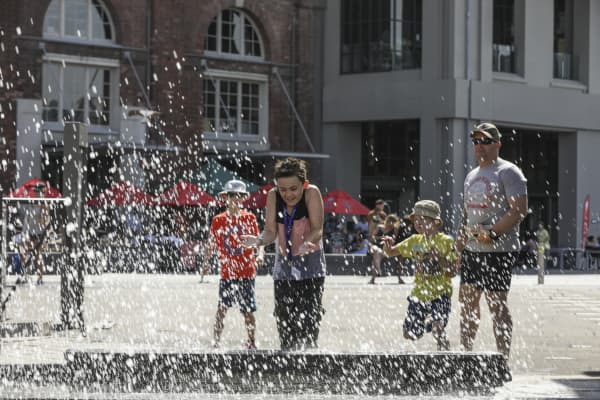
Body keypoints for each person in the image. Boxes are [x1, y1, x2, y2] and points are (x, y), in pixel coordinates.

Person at [456, 122, 528, 361]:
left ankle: (502, 359)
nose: (480, 146)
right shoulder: (471, 175)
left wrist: (493, 233)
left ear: (498, 144)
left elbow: (519, 210)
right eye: (476, 141)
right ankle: (466, 356)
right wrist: (459, 244)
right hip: (472, 248)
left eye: (485, 141)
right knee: (467, 302)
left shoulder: (508, 172)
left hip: (499, 249)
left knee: (496, 303)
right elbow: (467, 214)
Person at [241, 157, 326, 351]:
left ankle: (309, 356)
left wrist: (307, 243)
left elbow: (318, 228)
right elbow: (270, 231)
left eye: (293, 189)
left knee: (310, 315)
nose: (288, 194)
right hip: (285, 265)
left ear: (303, 183)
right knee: (284, 315)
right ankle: (287, 354)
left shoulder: (312, 193)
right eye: (283, 189)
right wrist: (258, 240)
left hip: (311, 263)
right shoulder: (273, 195)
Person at [382, 200, 457, 350]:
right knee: (409, 334)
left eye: (423, 219)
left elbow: (452, 272)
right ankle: (426, 322)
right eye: (416, 220)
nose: (418, 223)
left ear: (436, 222)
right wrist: (388, 246)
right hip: (419, 294)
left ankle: (446, 356)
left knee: (438, 329)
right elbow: (391, 252)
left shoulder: (446, 241)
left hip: (440, 293)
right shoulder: (414, 241)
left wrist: (441, 259)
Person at [203, 179, 265, 349]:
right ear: (225, 198)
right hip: (227, 272)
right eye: (231, 195)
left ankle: (251, 342)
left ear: (243, 198)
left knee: (248, 310)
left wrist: (260, 255)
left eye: (238, 196)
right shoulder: (218, 220)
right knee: (222, 308)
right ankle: (216, 341)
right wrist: (206, 263)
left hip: (247, 271)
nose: (234, 199)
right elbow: (212, 243)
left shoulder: (249, 217)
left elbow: (260, 241)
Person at [21, 182, 51, 285]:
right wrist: (24, 232)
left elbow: (46, 220)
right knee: (25, 253)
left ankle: (39, 277)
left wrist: (41, 220)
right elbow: (27, 219)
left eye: (38, 192)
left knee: (37, 255)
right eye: (35, 191)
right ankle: (27, 276)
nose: (36, 194)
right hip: (30, 232)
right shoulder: (31, 203)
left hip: (39, 234)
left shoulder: (44, 205)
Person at [368, 214, 401, 284]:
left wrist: (388, 240)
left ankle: (374, 276)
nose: (391, 224)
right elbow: (372, 237)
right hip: (376, 245)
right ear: (387, 221)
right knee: (376, 250)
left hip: (386, 247)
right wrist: (380, 238)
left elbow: (394, 240)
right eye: (390, 222)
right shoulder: (379, 227)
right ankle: (379, 270)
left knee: (376, 255)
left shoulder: (394, 229)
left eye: (393, 222)